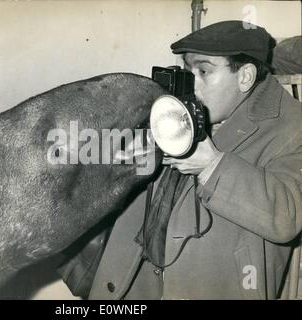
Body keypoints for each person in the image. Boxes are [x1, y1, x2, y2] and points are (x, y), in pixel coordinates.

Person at [59, 20, 302, 300]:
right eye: (188, 70)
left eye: (203, 71)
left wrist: (212, 166)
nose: (191, 84)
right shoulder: (182, 106)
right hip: (139, 280)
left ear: (245, 76)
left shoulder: (291, 125)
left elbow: (287, 215)